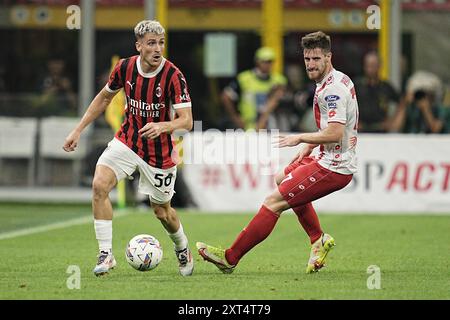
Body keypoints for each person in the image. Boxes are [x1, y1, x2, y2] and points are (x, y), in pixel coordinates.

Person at [196, 31, 358, 274]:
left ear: (328, 57)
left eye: (316, 59)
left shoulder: (332, 90)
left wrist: (300, 138)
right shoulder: (337, 80)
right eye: (307, 59)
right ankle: (318, 239)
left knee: (274, 202)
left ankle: (230, 258)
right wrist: (310, 146)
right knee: (282, 177)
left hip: (334, 166)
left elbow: (335, 133)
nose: (310, 65)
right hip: (328, 157)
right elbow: (334, 127)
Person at [63, 20, 194, 277]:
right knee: (99, 185)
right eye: (151, 43)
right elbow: (104, 97)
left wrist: (163, 126)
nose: (158, 49)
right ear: (139, 46)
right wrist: (78, 129)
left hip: (159, 153)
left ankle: (182, 248)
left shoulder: (173, 75)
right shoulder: (124, 67)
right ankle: (106, 254)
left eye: (161, 43)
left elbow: (187, 121)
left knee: (162, 211)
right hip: (128, 141)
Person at [221, 47, 287, 130]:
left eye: (269, 61)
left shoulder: (279, 80)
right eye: (264, 61)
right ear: (257, 61)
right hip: (247, 126)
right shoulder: (244, 78)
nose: (267, 64)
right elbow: (226, 96)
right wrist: (235, 118)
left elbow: (278, 101)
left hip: (271, 125)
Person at [353, 51, 400, 133]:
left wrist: (393, 121)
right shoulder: (356, 86)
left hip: (381, 130)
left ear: (379, 66)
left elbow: (401, 102)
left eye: (373, 65)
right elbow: (344, 104)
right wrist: (352, 122)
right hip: (360, 130)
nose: (370, 69)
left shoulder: (386, 87)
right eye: (368, 65)